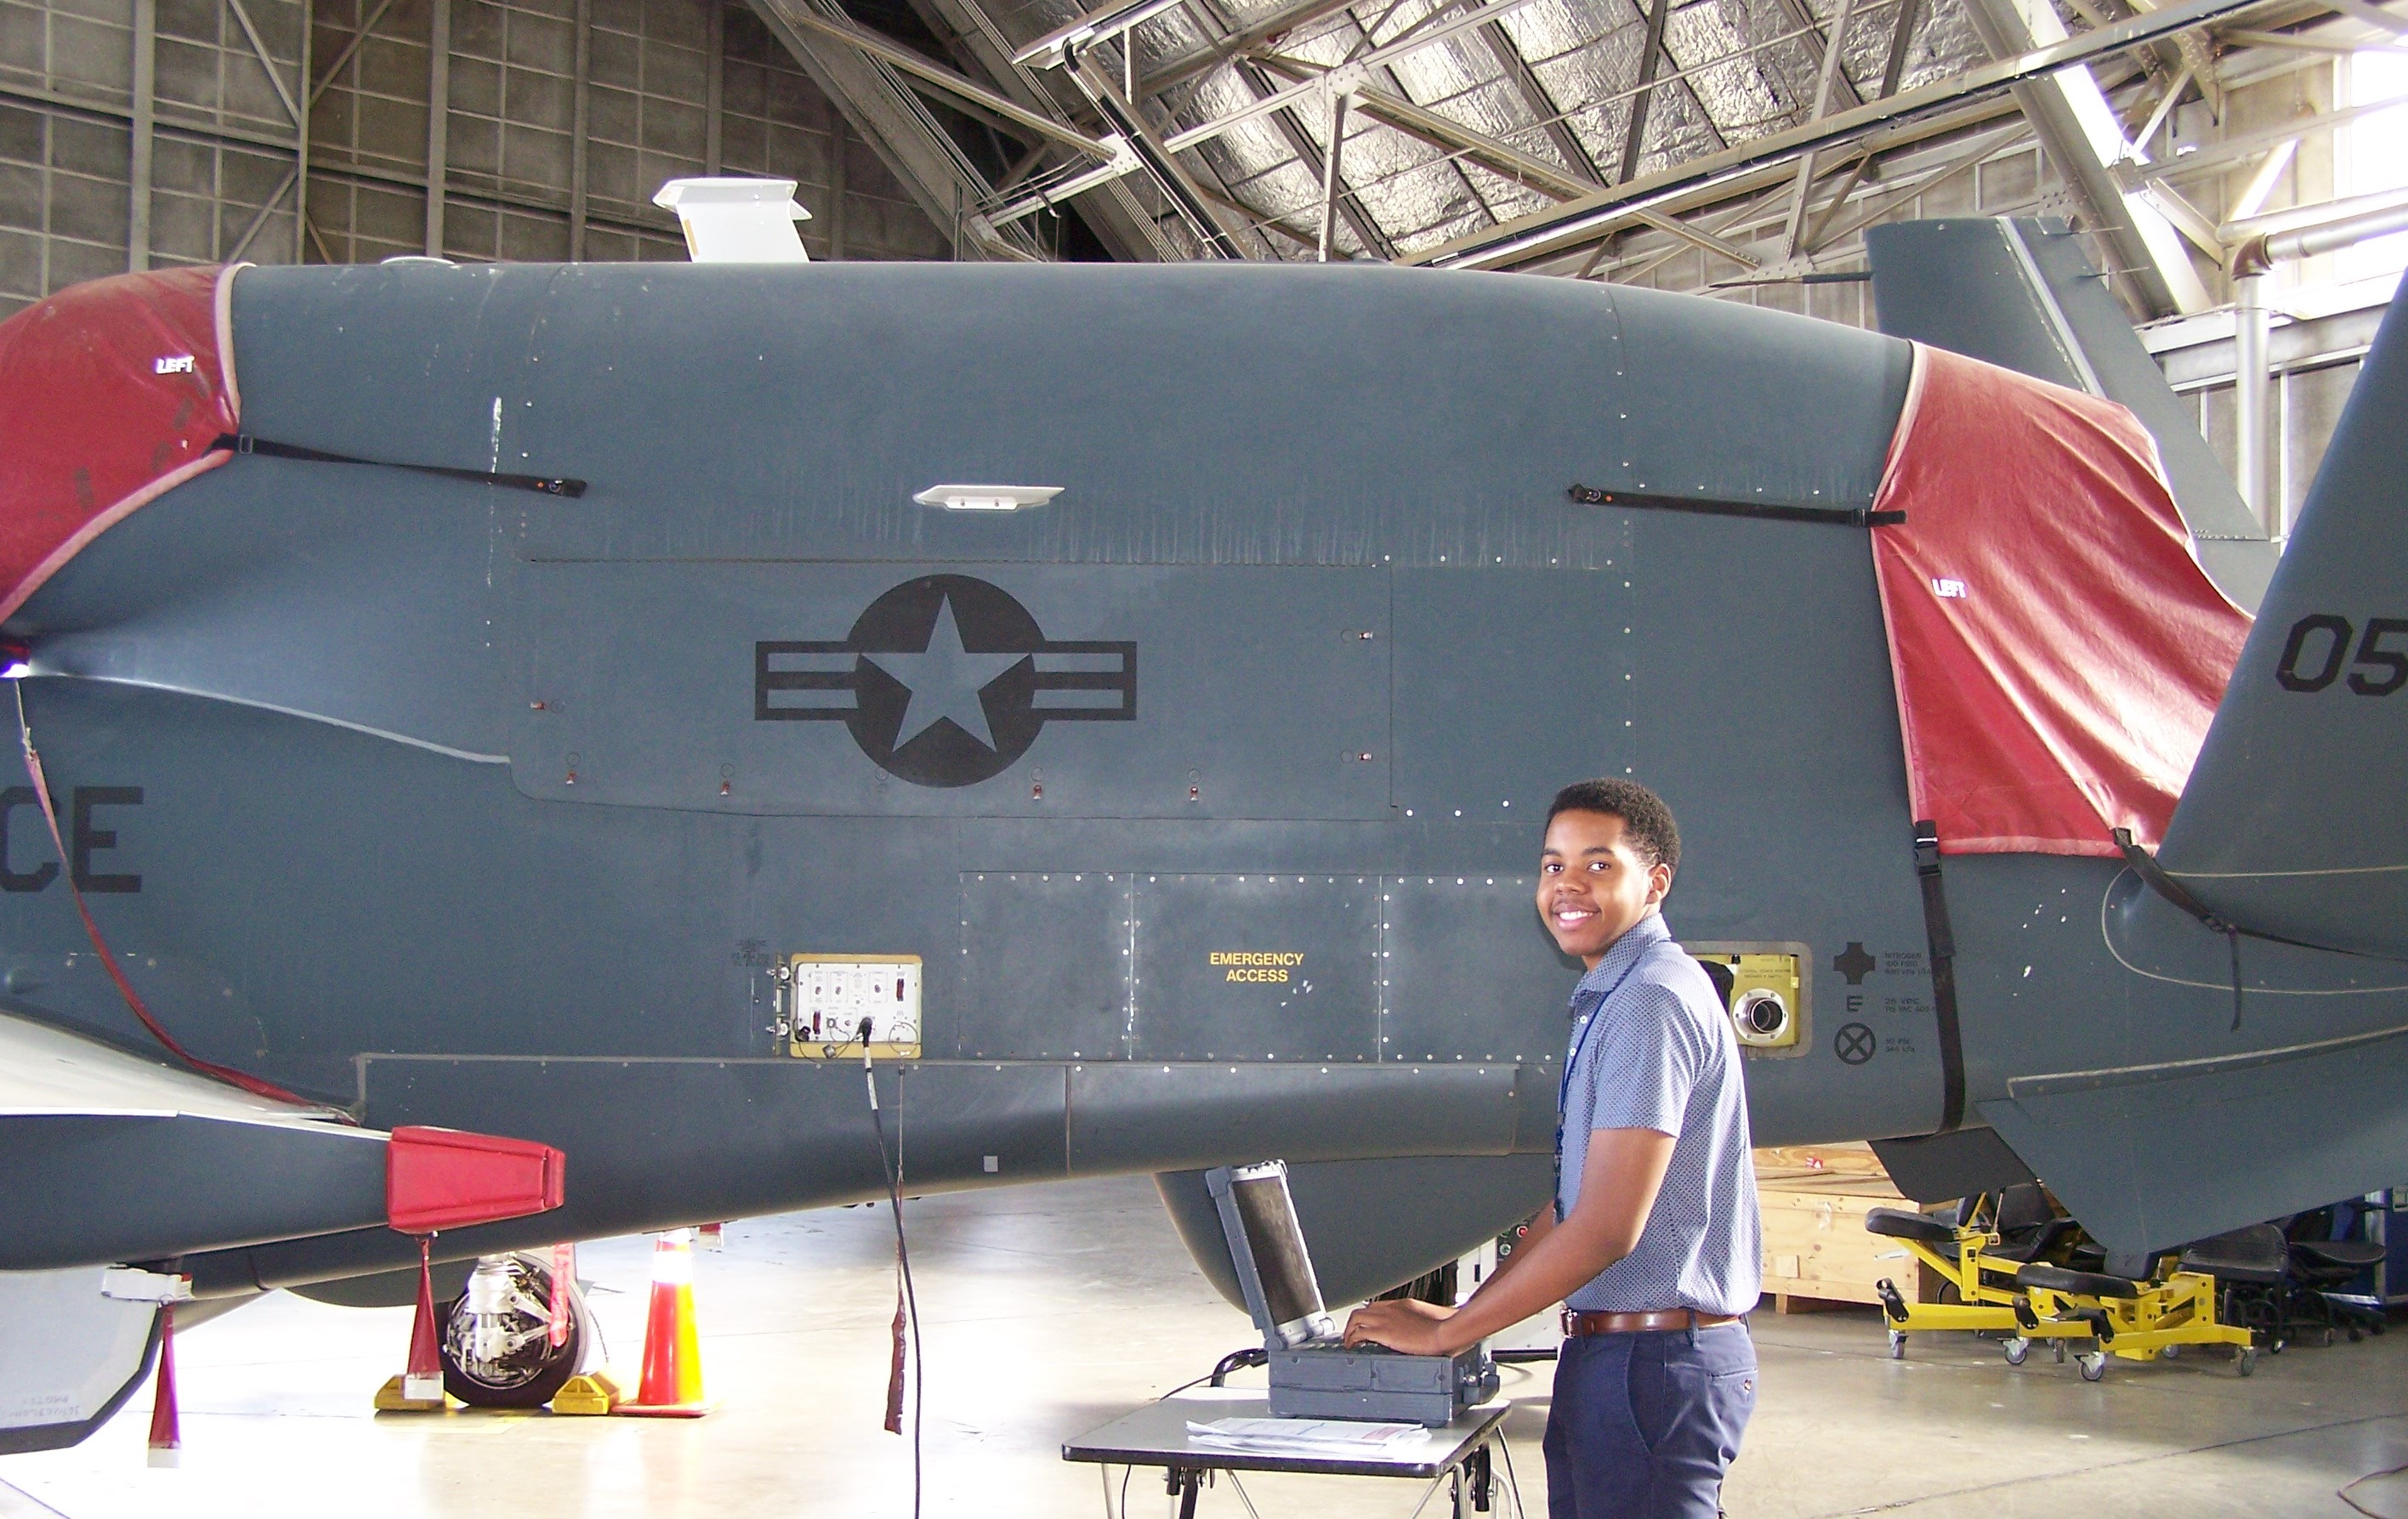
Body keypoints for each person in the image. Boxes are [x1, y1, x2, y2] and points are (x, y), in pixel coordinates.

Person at [1343, 778, 1761, 1519]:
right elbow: (1573, 1203)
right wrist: (1469, 1310)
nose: (1568, 884)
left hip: (1652, 1364)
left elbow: (1607, 1227)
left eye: (1599, 865)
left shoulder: (1649, 1001)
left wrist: (1452, 1329)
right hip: (1622, 1356)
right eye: (1553, 865)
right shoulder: (1616, 994)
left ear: (1655, 881)